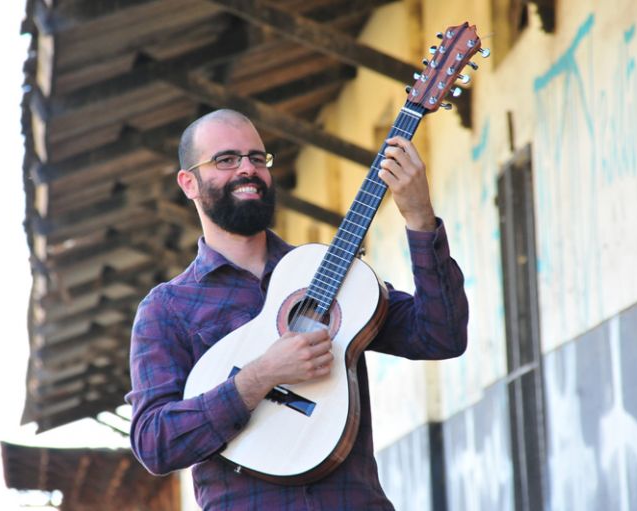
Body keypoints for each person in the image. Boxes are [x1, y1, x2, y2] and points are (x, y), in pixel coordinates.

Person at [126, 108, 468, 510]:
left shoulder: (331, 274)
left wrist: (419, 217)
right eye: (226, 160)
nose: (247, 169)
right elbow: (154, 443)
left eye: (257, 158)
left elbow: (440, 335)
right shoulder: (167, 308)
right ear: (189, 183)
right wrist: (260, 376)